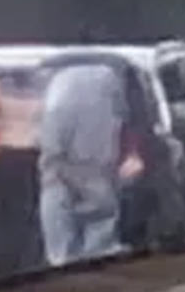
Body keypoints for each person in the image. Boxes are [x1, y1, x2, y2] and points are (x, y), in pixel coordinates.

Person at [36, 60, 129, 266]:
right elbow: (119, 127)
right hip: (95, 172)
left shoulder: (60, 87)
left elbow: (50, 144)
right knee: (99, 249)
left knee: (60, 256)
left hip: (62, 174)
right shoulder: (107, 79)